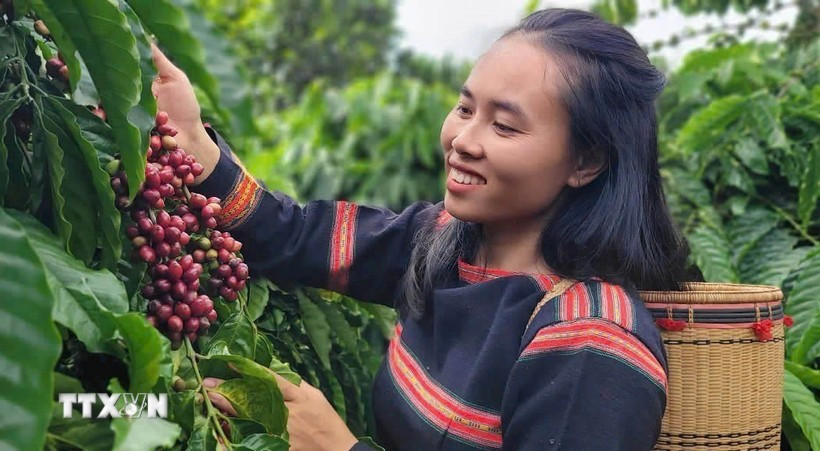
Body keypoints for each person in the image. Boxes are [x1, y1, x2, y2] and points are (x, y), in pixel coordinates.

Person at [151, 8, 690, 450]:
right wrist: (193, 143)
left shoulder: (589, 345)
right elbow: (291, 236)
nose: (463, 139)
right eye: (464, 108)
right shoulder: (442, 240)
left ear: (587, 161)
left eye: (504, 125)